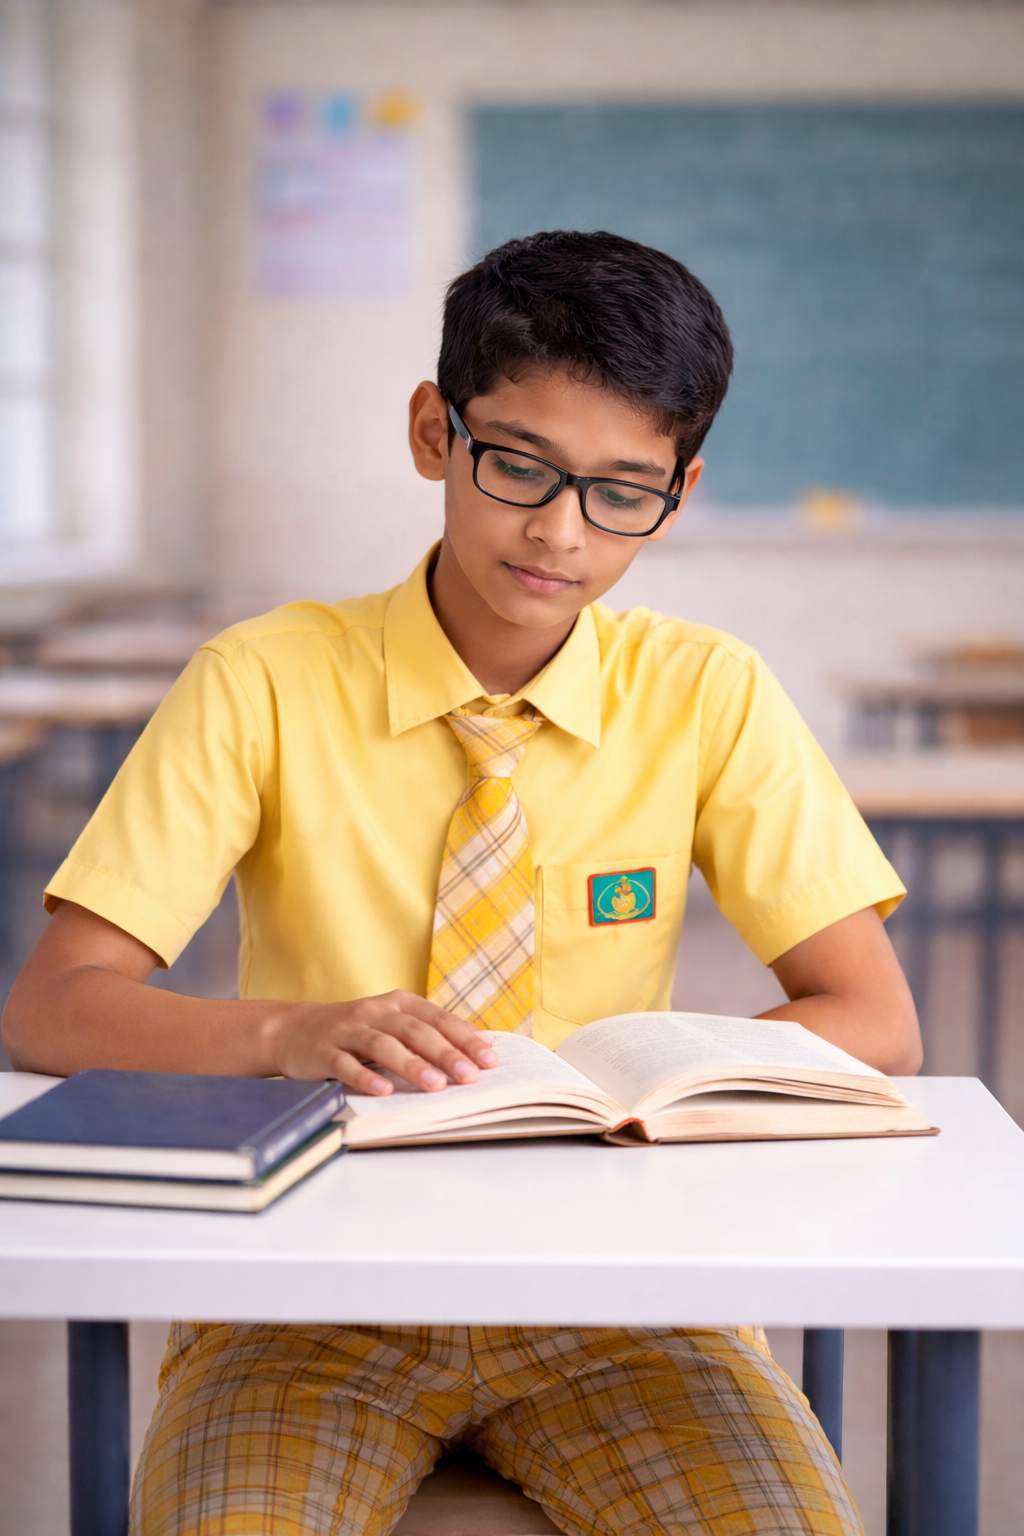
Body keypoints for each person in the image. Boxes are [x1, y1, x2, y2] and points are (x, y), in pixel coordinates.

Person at [3, 230, 921, 1536]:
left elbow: (872, 1019)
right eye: (519, 467)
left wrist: (657, 1092)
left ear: (682, 488)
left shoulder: (706, 694)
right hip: (305, 1297)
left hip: (626, 1298)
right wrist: (290, 1033)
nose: (559, 532)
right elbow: (51, 1007)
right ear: (436, 431)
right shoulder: (262, 681)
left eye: (622, 492)